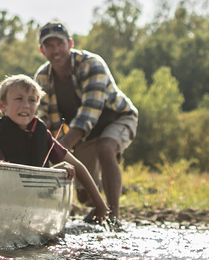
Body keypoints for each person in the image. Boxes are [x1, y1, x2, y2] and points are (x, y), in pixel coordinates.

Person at [0, 75, 109, 223]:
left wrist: (100, 206)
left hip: (36, 199)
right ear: (2, 106)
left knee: (67, 166)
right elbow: (6, 176)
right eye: (19, 99)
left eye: (32, 100)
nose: (26, 105)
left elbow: (78, 167)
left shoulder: (42, 134)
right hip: (2, 198)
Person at [32, 21, 138, 221]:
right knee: (84, 195)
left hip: (116, 118)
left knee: (106, 147)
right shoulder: (42, 77)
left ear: (70, 43)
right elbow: (42, 120)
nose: (56, 50)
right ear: (41, 50)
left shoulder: (92, 64)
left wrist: (59, 150)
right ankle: (102, 200)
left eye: (60, 44)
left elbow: (89, 113)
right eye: (49, 46)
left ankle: (113, 216)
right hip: (82, 134)